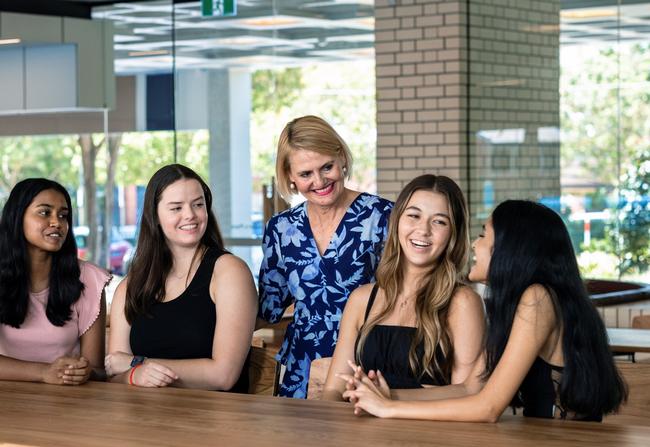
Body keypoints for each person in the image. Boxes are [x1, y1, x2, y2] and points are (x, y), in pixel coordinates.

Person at [342, 200, 627, 421]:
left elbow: (488, 407)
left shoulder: (538, 299)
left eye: (483, 235)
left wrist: (388, 409)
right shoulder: (518, 304)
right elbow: (469, 388)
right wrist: (387, 395)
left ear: (511, 248)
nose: (475, 245)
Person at [258, 115, 393, 398]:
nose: (319, 181)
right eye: (306, 174)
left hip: (365, 369)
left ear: (341, 157)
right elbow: (268, 307)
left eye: (327, 167)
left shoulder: (382, 216)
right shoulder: (281, 229)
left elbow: (402, 299)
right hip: (300, 370)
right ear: (290, 178)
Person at [322, 175, 484, 401]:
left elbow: (469, 391)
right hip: (360, 430)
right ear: (397, 221)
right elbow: (334, 390)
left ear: (453, 235)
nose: (423, 230)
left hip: (432, 432)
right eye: (413, 216)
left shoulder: (463, 302)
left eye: (439, 221)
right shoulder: (361, 299)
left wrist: (389, 398)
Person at [105, 164, 256, 391]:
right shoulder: (131, 286)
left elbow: (223, 376)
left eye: (198, 204)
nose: (190, 215)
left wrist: (137, 364)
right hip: (142, 419)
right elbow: (114, 375)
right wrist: (133, 375)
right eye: (176, 208)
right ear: (154, 216)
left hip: (214, 419)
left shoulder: (229, 272)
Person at [0, 178, 109, 385]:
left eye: (63, 216)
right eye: (44, 212)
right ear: (17, 217)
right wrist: (44, 372)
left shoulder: (89, 279)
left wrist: (84, 372)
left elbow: (98, 371)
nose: (57, 222)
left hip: (66, 404)